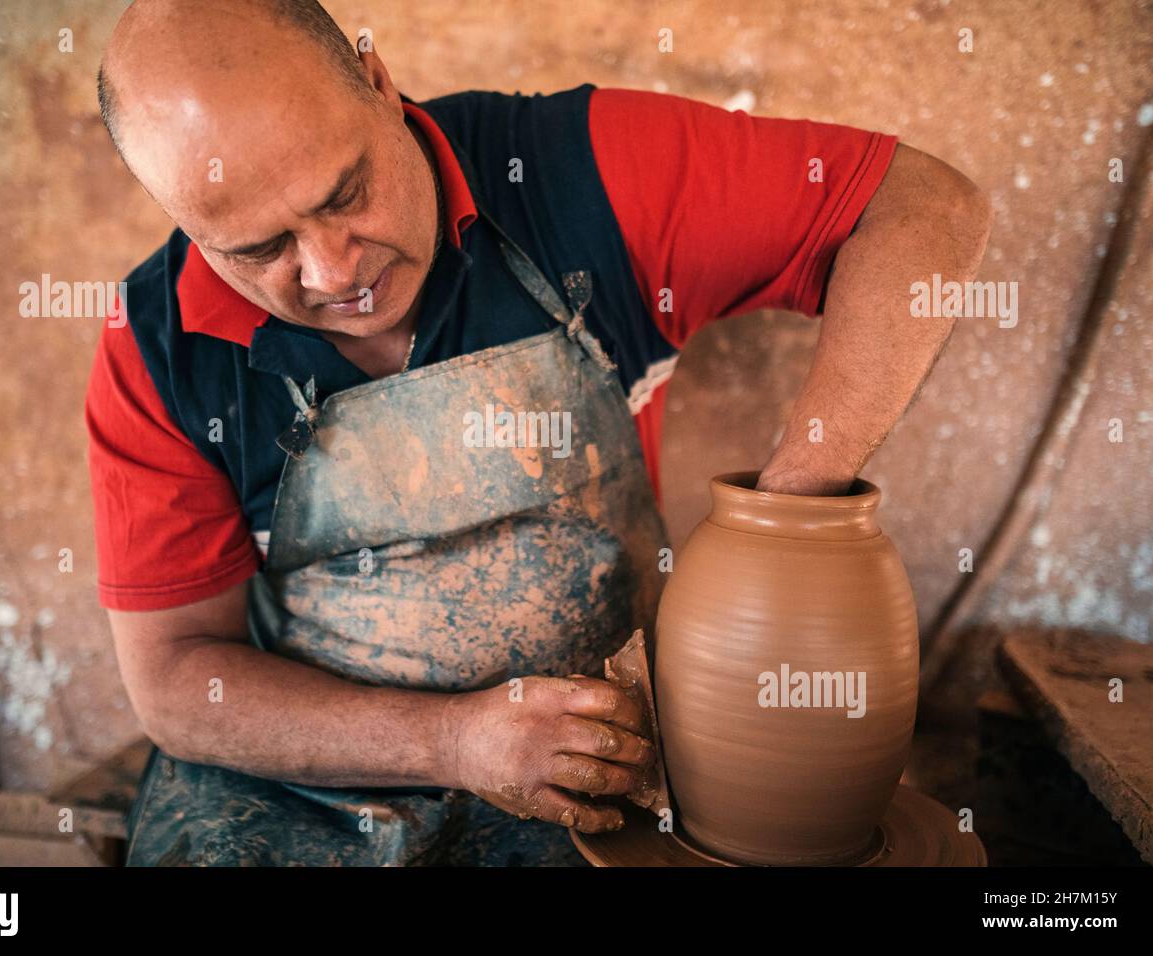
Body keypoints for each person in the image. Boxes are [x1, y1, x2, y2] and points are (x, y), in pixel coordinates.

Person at [87, 0, 992, 865]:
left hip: (601, 772)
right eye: (257, 249)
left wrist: (795, 509)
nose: (331, 272)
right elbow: (177, 679)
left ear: (377, 82)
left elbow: (927, 210)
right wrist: (451, 742)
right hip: (307, 793)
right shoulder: (158, 345)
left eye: (345, 193)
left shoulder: (572, 174)